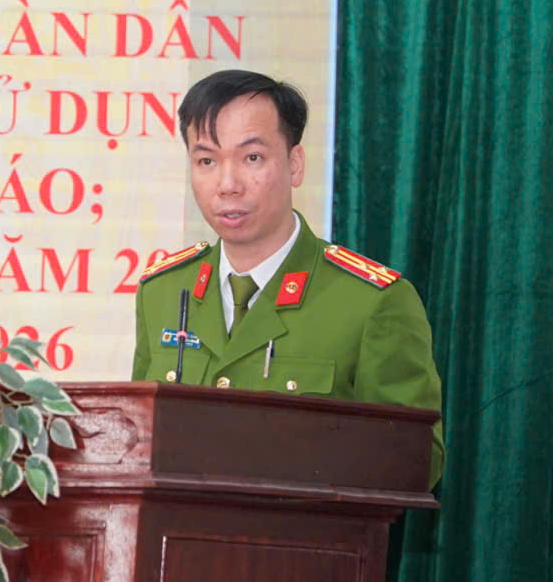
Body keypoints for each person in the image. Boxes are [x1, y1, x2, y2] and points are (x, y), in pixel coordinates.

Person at [131, 69, 444, 488]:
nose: (227, 184)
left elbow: (415, 461)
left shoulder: (371, 302)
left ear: (294, 165)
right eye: (207, 161)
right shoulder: (163, 291)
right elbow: (136, 442)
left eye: (252, 158)